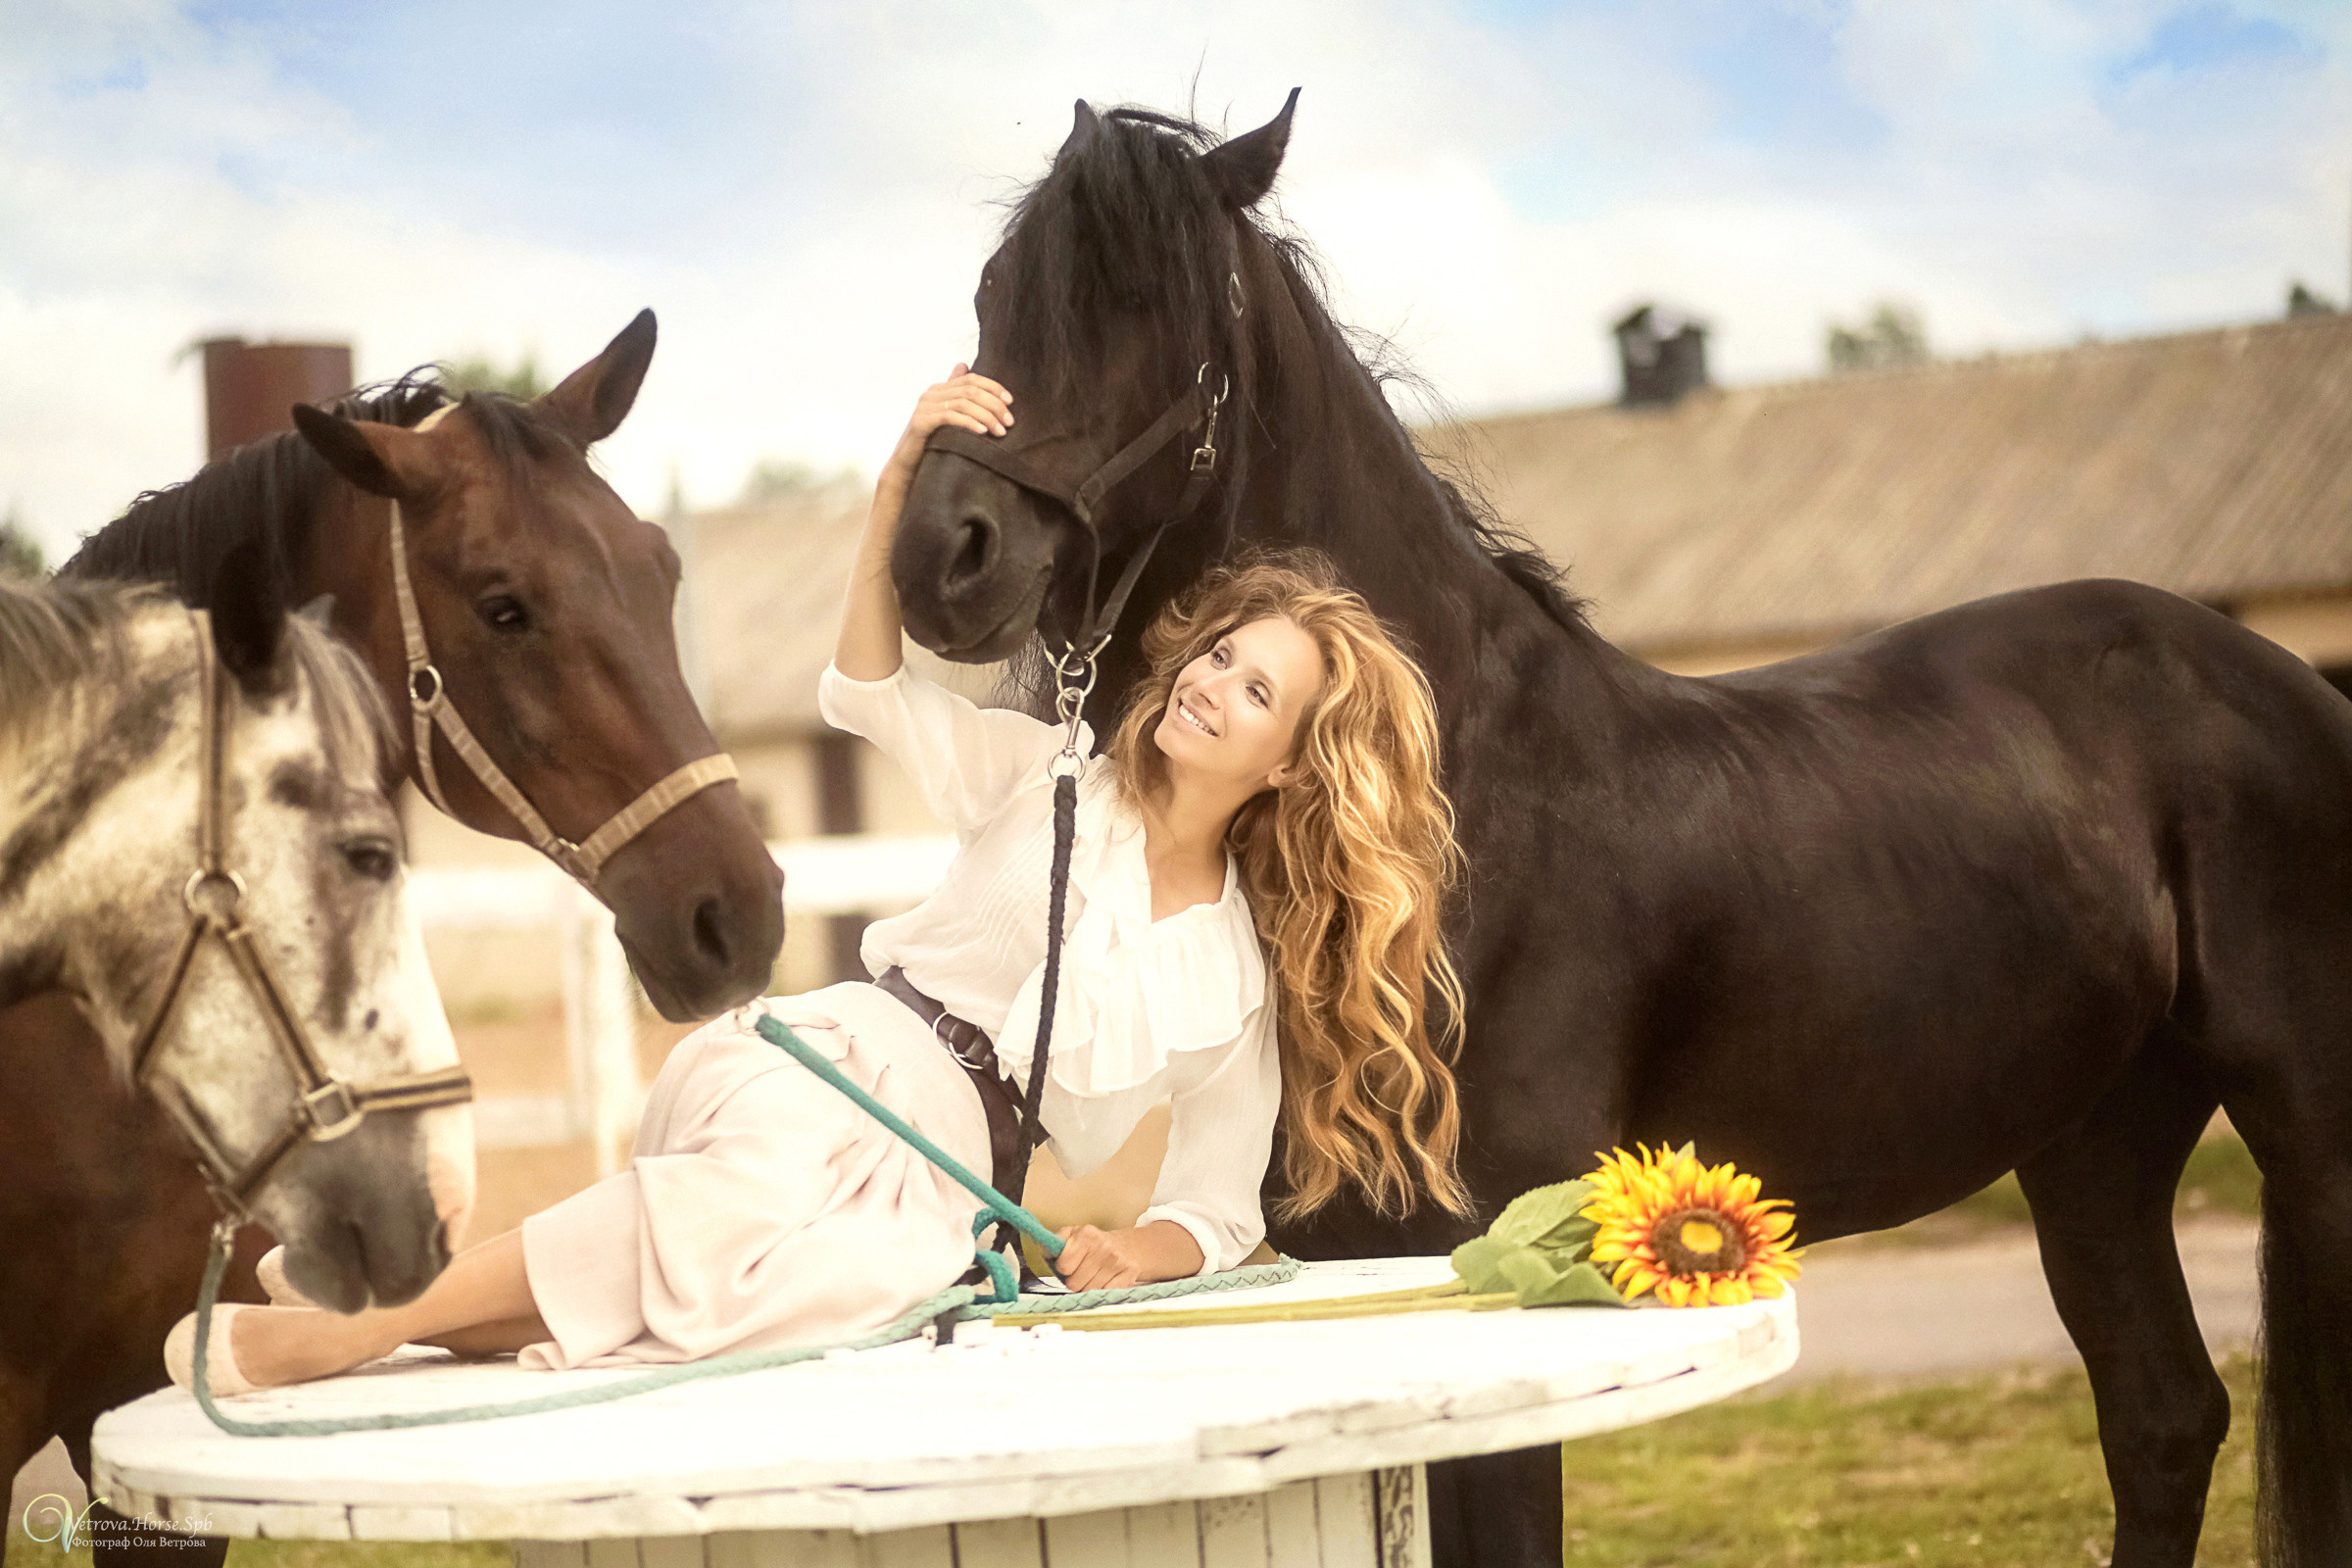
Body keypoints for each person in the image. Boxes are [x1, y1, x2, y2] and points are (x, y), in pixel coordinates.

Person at [166, 368, 1472, 1395]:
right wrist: (901, 473)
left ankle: (443, 1322)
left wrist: (1137, 1251)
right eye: (1220, 654)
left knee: (859, 1289)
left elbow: (1215, 1203)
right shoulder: (1053, 773)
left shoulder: (1233, 976)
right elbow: (871, 685)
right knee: (760, 1213)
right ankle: (350, 1328)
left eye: (1257, 691)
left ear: (1297, 766)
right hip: (837, 1059)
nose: (1207, 683)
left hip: (953, 1184)